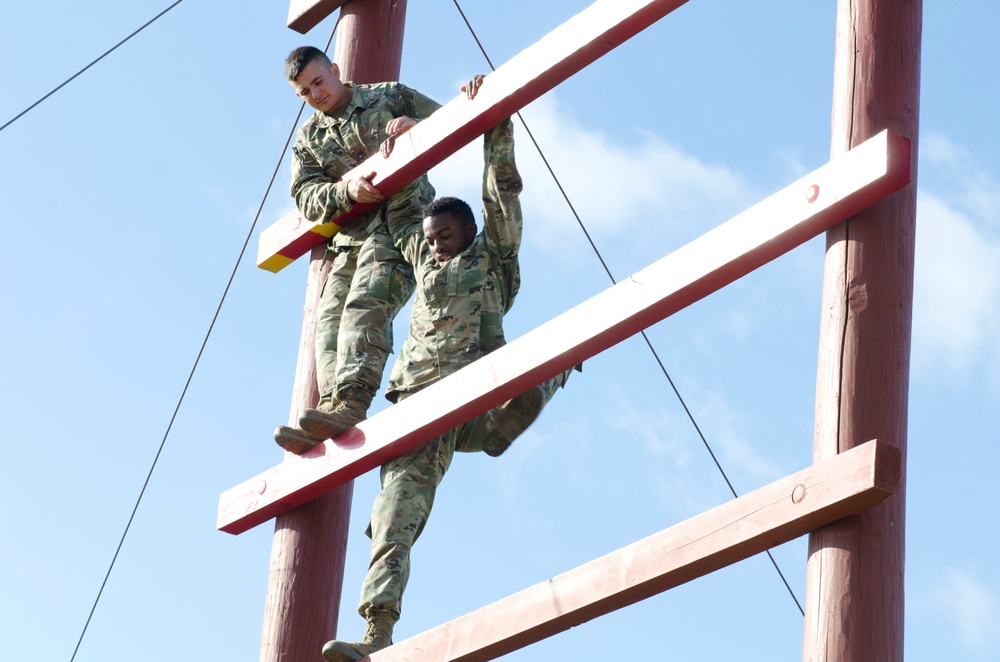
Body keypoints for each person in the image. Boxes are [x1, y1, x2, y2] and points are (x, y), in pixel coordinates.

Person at [321, 75, 576, 662]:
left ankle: (516, 410)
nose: (435, 245)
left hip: (470, 390)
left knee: (542, 365)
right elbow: (400, 217)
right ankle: (376, 634)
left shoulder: (494, 259)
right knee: (392, 522)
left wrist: (492, 119)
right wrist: (399, 145)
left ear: (467, 232)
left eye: (445, 235)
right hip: (417, 408)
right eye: (432, 238)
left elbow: (502, 191)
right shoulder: (422, 254)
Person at [274, 46, 442, 454]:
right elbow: (305, 194)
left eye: (318, 82)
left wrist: (413, 125)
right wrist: (344, 189)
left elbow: (449, 119)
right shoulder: (310, 139)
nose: (315, 94)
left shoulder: (388, 95)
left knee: (365, 305)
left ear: (335, 70)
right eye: (304, 92)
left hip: (401, 224)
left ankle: (351, 400)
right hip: (351, 238)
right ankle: (330, 405)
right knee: (328, 323)